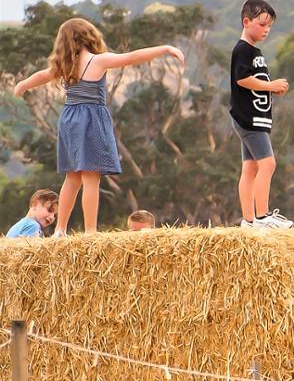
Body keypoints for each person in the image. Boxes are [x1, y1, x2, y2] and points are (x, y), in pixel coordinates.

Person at [11, 18, 183, 235]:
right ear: (88, 36)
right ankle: (90, 231)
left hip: (69, 119)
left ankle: (60, 230)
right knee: (91, 177)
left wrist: (23, 84)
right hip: (90, 118)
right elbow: (131, 57)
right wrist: (165, 48)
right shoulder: (97, 61)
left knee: (72, 177)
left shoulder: (65, 66)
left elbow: (43, 75)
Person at [229, 0, 292, 229]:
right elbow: (242, 79)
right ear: (246, 21)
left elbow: (256, 81)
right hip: (249, 118)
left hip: (257, 116)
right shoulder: (243, 49)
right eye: (262, 24)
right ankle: (263, 216)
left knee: (251, 168)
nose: (266, 30)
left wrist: (271, 88)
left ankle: (248, 220)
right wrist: (271, 86)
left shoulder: (255, 51)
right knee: (268, 164)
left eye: (269, 26)